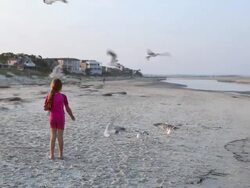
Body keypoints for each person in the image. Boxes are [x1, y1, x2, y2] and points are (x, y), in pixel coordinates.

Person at [44, 79, 75, 160]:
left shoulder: (49, 95)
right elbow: (67, 108)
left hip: (52, 118)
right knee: (60, 136)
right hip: (61, 118)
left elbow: (46, 108)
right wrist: (71, 116)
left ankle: (52, 155)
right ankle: (60, 155)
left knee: (53, 136)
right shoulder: (63, 96)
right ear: (60, 87)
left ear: (52, 86)